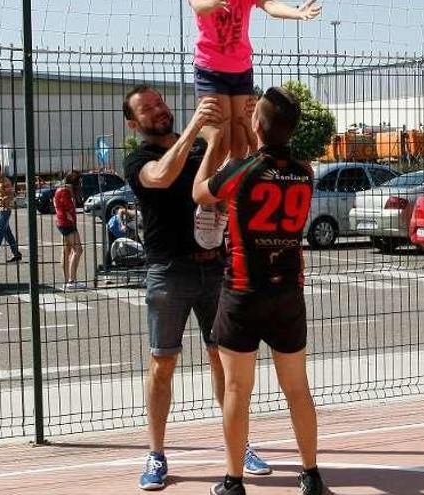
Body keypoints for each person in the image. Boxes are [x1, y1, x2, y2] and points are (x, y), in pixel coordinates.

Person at [121, 85, 271, 491]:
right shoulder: (139, 158)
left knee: (223, 361)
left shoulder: (197, 148)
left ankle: (238, 447)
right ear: (135, 124)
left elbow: (232, 161)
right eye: (147, 109)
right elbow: (163, 176)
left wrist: (238, 117)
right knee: (162, 363)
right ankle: (155, 453)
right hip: (169, 272)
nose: (158, 110)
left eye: (158, 102)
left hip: (215, 267)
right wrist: (194, 130)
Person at [193, 87, 329, 495]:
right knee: (297, 388)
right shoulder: (304, 170)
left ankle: (234, 480)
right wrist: (259, 132)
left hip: (242, 289)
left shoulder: (240, 170)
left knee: (237, 388)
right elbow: (271, 160)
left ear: (256, 124)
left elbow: (200, 192)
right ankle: (312, 474)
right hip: (287, 290)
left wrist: (213, 147)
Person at [187, 0, 321, 252]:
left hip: (241, 69)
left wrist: (297, 13)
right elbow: (199, 6)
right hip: (210, 68)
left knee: (240, 139)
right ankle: (207, 202)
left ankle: (224, 207)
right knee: (221, 134)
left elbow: (269, 4)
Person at [54, 171, 85, 290]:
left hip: (62, 222)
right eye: (79, 182)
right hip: (67, 223)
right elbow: (68, 208)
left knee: (66, 251)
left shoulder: (60, 190)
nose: (80, 184)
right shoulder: (65, 191)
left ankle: (67, 281)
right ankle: (72, 280)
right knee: (78, 250)